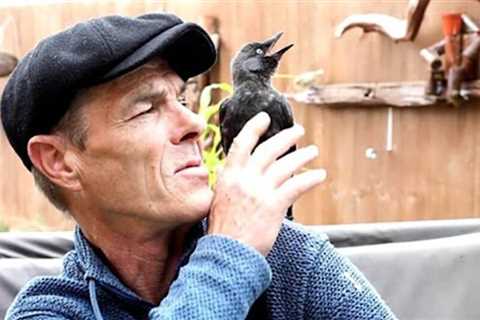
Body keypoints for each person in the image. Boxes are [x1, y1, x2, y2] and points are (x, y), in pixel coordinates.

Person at [0, 13, 397, 320]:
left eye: (183, 101)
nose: (194, 125)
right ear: (60, 161)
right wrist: (228, 257)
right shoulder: (48, 310)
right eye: (146, 108)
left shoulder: (289, 257)